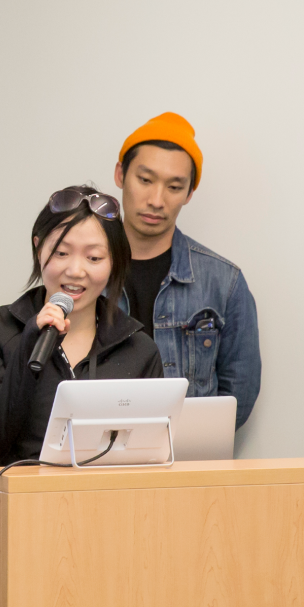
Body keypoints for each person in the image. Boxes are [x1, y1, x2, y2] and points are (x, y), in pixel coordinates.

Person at [0, 186, 162, 466]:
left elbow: (152, 454)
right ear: (38, 247)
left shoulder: (139, 348)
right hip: (23, 504)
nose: (76, 271)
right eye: (62, 253)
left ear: (113, 262)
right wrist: (28, 351)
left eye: (94, 258)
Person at [113, 113, 260, 428]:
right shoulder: (80, 274)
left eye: (174, 186)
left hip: (187, 467)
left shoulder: (224, 282)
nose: (156, 200)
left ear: (189, 193)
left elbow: (238, 396)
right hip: (94, 462)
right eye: (145, 180)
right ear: (120, 175)